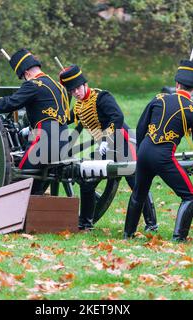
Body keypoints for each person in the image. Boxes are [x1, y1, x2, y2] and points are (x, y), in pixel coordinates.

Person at [59, 64, 158, 231]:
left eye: (77, 88)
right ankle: (85, 223)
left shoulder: (101, 96)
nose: (76, 92)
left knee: (136, 183)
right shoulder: (78, 106)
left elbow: (117, 116)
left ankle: (152, 224)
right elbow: (65, 119)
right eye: (72, 91)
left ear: (84, 84)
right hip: (105, 148)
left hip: (123, 143)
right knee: (88, 180)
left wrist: (106, 138)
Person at [124, 59, 193, 240]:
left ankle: (128, 234)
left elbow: (140, 129)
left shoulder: (158, 98)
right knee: (190, 196)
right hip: (163, 157)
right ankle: (178, 238)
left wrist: (141, 151)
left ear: (177, 83)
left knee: (138, 194)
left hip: (144, 151)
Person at [0, 48, 70, 194]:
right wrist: (30, 129)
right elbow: (53, 114)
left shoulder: (33, 84)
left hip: (42, 142)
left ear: (26, 73)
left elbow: (11, 102)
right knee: (34, 184)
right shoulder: (59, 86)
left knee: (20, 178)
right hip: (63, 142)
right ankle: (34, 210)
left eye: (23, 78)